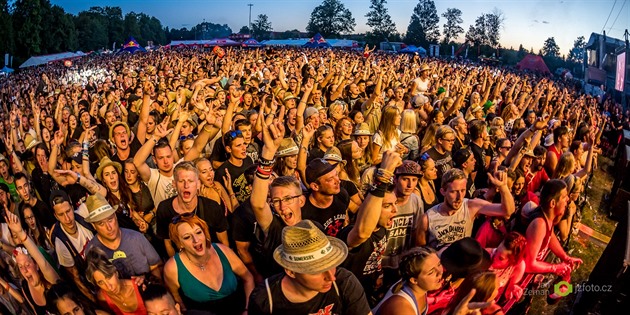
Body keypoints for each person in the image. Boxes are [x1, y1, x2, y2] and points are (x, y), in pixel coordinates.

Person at [248, 220, 371, 315]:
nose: (331, 277)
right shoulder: (264, 300)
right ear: (291, 271)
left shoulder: (345, 283)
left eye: (331, 265)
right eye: (317, 270)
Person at [338, 150, 401, 305]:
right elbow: (362, 233)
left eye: (395, 204)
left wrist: (378, 275)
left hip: (368, 294)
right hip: (347, 301)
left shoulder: (383, 227)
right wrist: (384, 175)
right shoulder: (351, 233)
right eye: (387, 205)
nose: (395, 210)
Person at [164, 214, 253, 314]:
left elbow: (248, 278)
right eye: (187, 237)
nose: (196, 240)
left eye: (198, 232)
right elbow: (175, 298)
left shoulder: (223, 251)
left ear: (205, 233)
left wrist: (247, 309)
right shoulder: (173, 268)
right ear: (179, 243)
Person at [417, 168, 515, 249]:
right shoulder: (427, 219)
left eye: (463, 191)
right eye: (454, 192)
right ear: (443, 191)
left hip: (463, 268)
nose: (459, 197)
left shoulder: (470, 206)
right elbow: (420, 251)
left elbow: (508, 210)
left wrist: (503, 187)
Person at [156, 161, 229, 257]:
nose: (186, 185)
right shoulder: (164, 209)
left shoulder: (212, 207)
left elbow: (224, 242)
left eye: (190, 181)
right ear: (174, 184)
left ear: (198, 184)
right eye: (181, 181)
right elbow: (168, 243)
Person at [84, 194, 163, 281]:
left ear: (115, 217)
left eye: (110, 220)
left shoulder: (136, 238)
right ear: (94, 226)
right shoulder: (92, 251)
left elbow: (157, 266)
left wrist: (147, 279)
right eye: (101, 224)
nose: (109, 227)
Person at [5, 207, 61, 314]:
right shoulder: (25, 289)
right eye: (21, 267)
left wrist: (21, 233)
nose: (25, 270)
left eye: (27, 264)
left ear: (37, 265)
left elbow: (42, 261)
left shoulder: (50, 280)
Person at [523, 180, 583, 276]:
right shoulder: (539, 224)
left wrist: (566, 258)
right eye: (564, 197)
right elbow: (529, 264)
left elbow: (550, 236)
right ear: (553, 203)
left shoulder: (547, 217)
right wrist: (555, 268)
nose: (567, 199)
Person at [372, 247, 444, 315]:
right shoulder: (401, 307)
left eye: (439, 264)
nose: (440, 272)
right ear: (414, 280)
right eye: (431, 272)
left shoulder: (420, 291)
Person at [85, 247, 148, 315]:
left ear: (116, 272)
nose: (109, 287)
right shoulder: (102, 297)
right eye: (101, 282)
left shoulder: (140, 286)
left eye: (108, 277)